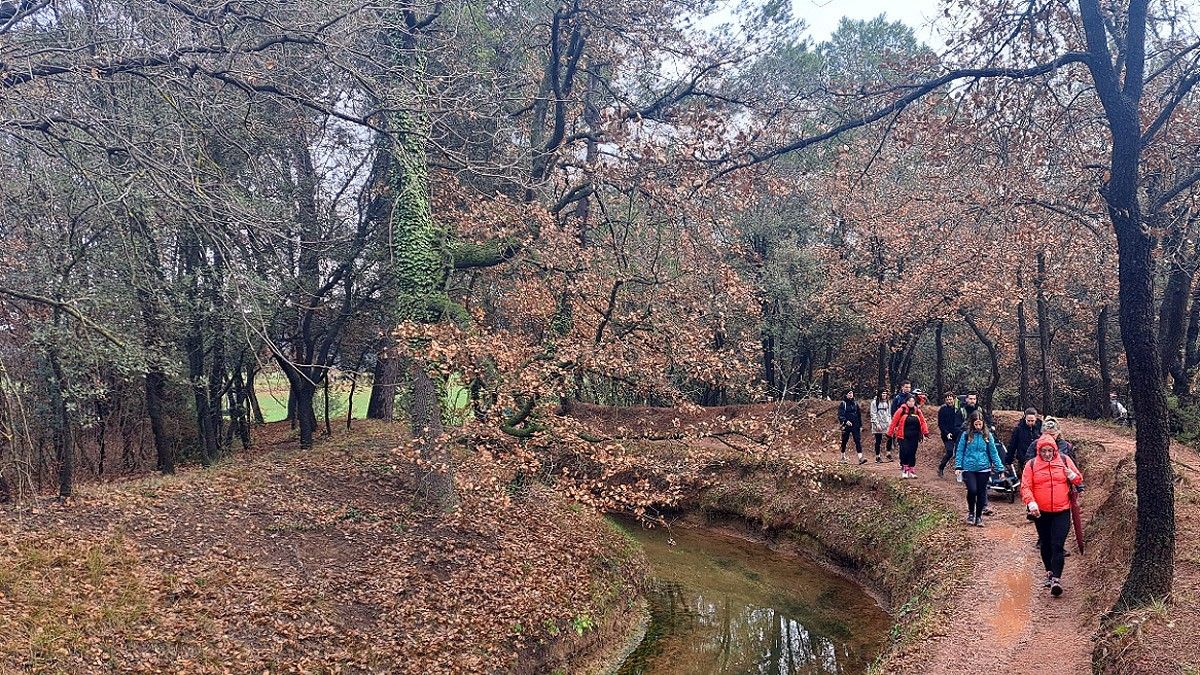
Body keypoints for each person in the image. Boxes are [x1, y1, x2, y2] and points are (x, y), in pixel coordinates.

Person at [1021, 433, 1084, 596]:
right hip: (1040, 512)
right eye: (1043, 451)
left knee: (1057, 544)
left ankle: (1056, 579)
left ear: (1054, 450)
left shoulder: (1064, 460)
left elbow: (1078, 479)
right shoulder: (1031, 465)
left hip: (1062, 510)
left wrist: (1071, 475)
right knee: (1046, 543)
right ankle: (1049, 571)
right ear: (1038, 451)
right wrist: (1031, 502)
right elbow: (1025, 486)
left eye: (1050, 451)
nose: (1047, 454)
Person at [955, 413, 1004, 526]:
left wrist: (1000, 468)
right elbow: (960, 451)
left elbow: (993, 453)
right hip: (969, 467)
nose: (978, 426)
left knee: (981, 492)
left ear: (983, 424)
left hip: (984, 468)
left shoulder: (987, 436)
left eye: (980, 424)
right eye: (976, 424)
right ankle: (971, 513)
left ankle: (979, 517)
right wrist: (958, 466)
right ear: (972, 424)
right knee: (972, 490)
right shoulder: (966, 435)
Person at [888, 394, 928, 479]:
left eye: (913, 401)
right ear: (906, 402)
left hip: (915, 436)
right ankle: (905, 469)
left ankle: (912, 470)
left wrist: (925, 432)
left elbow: (923, 422)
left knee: (912, 453)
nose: (911, 403)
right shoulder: (901, 410)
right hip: (903, 436)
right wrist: (889, 433)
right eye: (909, 401)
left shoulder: (917, 411)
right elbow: (894, 421)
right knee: (904, 452)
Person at [1008, 407, 1043, 478]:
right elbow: (1012, 445)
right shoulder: (1019, 428)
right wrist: (1009, 460)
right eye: (1028, 421)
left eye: (1032, 421)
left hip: (1038, 459)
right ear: (1025, 418)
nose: (1030, 423)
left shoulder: (1041, 428)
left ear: (1036, 419)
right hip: (1023, 459)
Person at [937, 391, 965, 478]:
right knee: (949, 452)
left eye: (950, 399)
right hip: (946, 435)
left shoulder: (959, 409)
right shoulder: (942, 409)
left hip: (958, 433)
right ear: (945, 400)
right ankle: (941, 467)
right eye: (947, 399)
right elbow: (941, 424)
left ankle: (960, 473)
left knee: (959, 453)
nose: (949, 401)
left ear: (954, 399)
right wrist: (946, 433)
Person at [838, 389, 867, 465]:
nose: (851, 395)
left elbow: (859, 415)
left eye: (852, 393)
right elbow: (840, 415)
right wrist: (845, 421)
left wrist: (860, 425)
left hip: (855, 425)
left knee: (857, 440)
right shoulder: (843, 404)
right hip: (846, 426)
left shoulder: (855, 403)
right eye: (849, 393)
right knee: (845, 441)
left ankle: (860, 458)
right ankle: (842, 457)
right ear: (846, 395)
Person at [870, 389, 892, 463]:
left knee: (890, 437)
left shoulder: (888, 402)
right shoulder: (874, 403)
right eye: (883, 394)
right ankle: (877, 456)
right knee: (878, 440)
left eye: (885, 394)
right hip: (878, 423)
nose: (884, 395)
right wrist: (877, 424)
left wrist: (890, 422)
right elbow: (873, 414)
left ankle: (888, 453)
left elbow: (889, 413)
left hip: (886, 423)